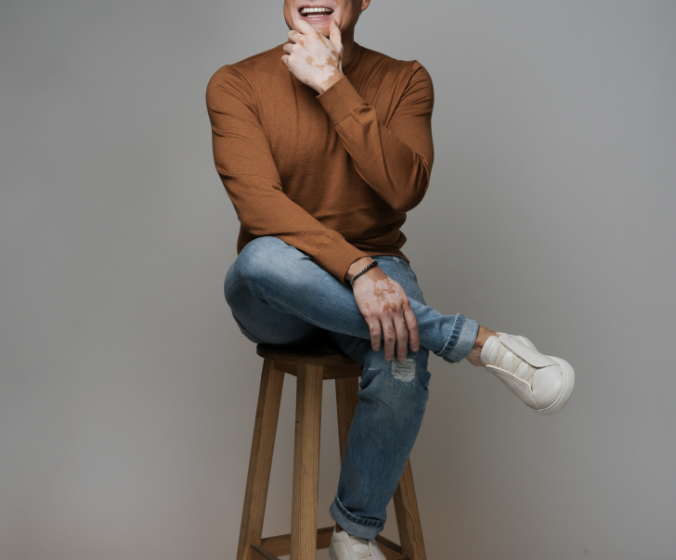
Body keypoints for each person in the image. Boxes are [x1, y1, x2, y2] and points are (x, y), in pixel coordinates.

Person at [206, 1, 575, 559]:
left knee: (402, 357)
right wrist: (356, 270)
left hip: (378, 263)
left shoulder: (405, 80)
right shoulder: (236, 83)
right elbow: (259, 206)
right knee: (258, 260)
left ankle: (354, 534)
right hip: (282, 290)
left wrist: (332, 85)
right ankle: (472, 340)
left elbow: (403, 188)